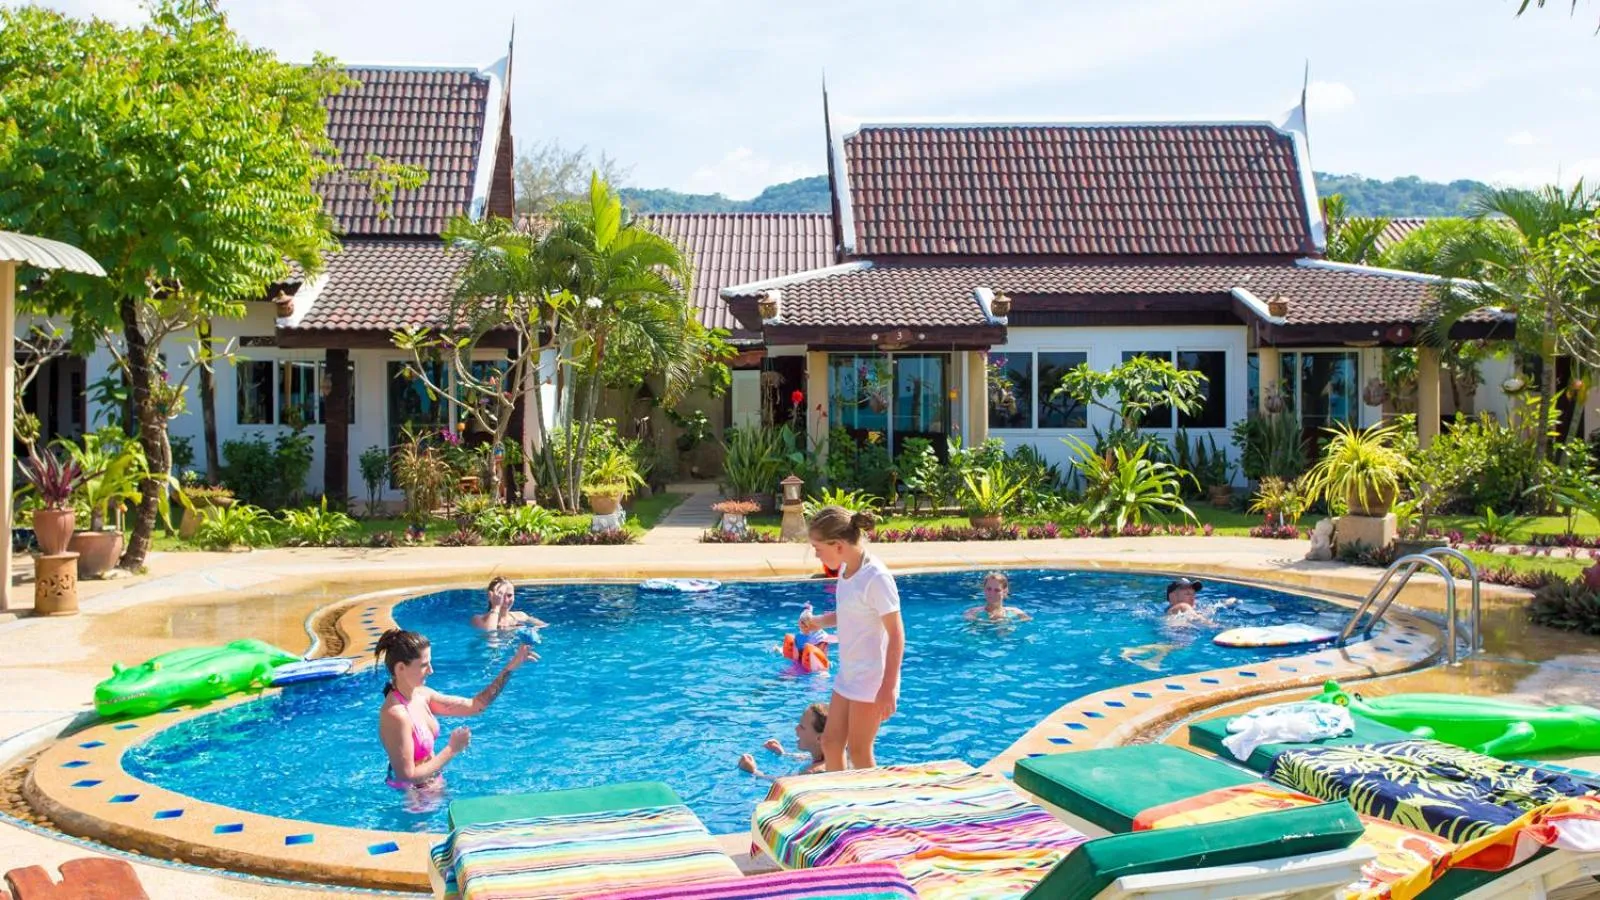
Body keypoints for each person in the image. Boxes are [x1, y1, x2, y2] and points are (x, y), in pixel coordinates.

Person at [799, 506, 904, 772]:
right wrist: (819, 622)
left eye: (818, 547)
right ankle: (842, 803)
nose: (816, 553)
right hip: (849, 672)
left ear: (838, 545)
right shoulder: (847, 568)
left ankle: (873, 809)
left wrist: (889, 687)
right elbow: (851, 611)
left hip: (872, 678)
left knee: (858, 752)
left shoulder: (876, 577)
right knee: (832, 744)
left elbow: (896, 633)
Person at [375, 628, 537, 790]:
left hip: (431, 787)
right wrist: (452, 749)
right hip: (412, 800)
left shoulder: (422, 695)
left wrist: (510, 668)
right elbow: (406, 777)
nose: (431, 670)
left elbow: (476, 706)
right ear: (400, 668)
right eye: (424, 665)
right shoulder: (396, 714)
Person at [738, 702, 828, 780]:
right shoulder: (829, 757)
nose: (796, 728)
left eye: (802, 727)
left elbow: (781, 782)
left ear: (819, 738)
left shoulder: (811, 773)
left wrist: (753, 771)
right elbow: (807, 757)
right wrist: (783, 754)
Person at [471, 577, 547, 631]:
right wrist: (496, 606)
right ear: (490, 596)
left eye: (509, 595)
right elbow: (490, 636)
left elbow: (544, 625)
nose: (506, 600)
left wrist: (531, 630)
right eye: (501, 596)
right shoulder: (478, 619)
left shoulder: (520, 616)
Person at [964, 572, 1031, 622]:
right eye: (989, 589)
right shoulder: (972, 613)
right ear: (984, 589)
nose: (992, 593)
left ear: (1004, 592)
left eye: (997, 590)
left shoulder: (1016, 613)